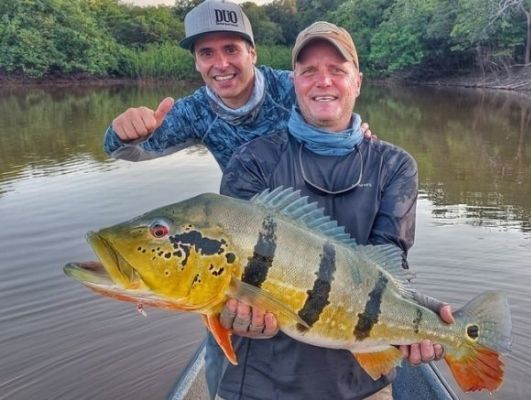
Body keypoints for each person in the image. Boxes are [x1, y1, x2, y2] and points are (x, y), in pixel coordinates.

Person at [211, 21, 454, 400]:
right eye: (309, 71)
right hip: (260, 385)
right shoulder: (251, 162)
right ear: (294, 82)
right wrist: (229, 313)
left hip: (360, 384)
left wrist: (422, 320)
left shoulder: (395, 166)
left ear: (357, 81)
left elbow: (387, 264)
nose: (323, 81)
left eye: (337, 71)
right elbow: (232, 273)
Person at [103, 0, 371, 171]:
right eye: (207, 53)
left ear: (252, 53)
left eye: (231, 49)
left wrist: (357, 135)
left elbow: (339, 112)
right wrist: (123, 132)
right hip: (244, 230)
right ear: (196, 62)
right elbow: (128, 152)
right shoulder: (195, 112)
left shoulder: (291, 88)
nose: (221, 64)